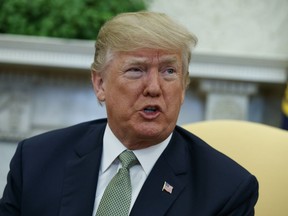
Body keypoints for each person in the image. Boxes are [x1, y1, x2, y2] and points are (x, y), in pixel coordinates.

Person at [0, 11, 258, 216]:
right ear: (100, 84)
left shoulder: (226, 190)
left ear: (183, 87)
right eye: (136, 70)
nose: (155, 88)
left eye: (169, 71)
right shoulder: (36, 160)